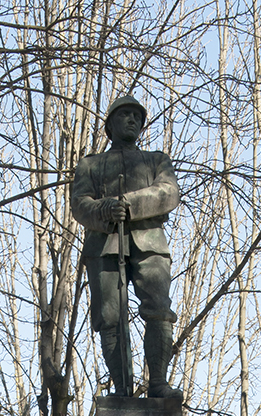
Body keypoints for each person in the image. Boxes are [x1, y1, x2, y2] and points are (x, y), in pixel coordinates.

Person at [71, 94, 182, 397]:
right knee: (109, 319)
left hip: (150, 244)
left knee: (159, 310)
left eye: (137, 115)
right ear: (109, 125)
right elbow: (79, 204)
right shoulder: (90, 165)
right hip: (104, 245)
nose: (132, 119)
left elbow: (169, 193)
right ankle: (122, 389)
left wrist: (129, 204)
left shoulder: (156, 160)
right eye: (124, 114)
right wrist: (105, 211)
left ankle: (158, 383)